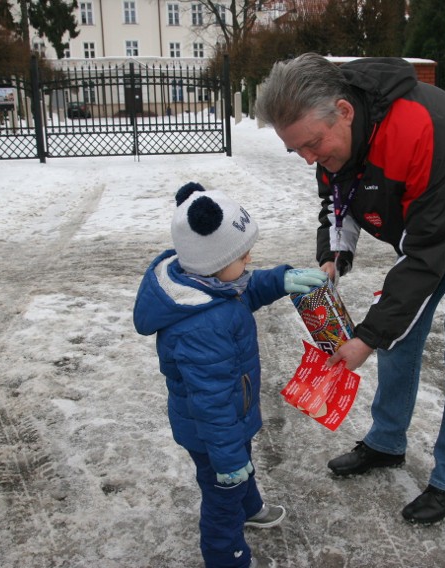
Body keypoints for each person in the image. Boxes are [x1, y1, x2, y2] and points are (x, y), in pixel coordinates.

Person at [255, 53, 445, 525]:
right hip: (426, 230)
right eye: (296, 149)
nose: (308, 158)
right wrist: (333, 256)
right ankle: (387, 443)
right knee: (398, 342)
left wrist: (365, 336)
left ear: (344, 110)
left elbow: (428, 257)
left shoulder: (419, 127)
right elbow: (336, 199)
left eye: (312, 145)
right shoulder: (333, 139)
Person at [133, 182, 326, 568]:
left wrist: (280, 280)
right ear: (213, 259)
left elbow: (245, 290)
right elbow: (211, 402)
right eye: (242, 254)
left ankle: (249, 505)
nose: (249, 258)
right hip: (212, 432)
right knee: (223, 491)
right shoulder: (202, 326)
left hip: (232, 417)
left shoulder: (211, 285)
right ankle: (227, 556)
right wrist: (225, 457)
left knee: (243, 460)